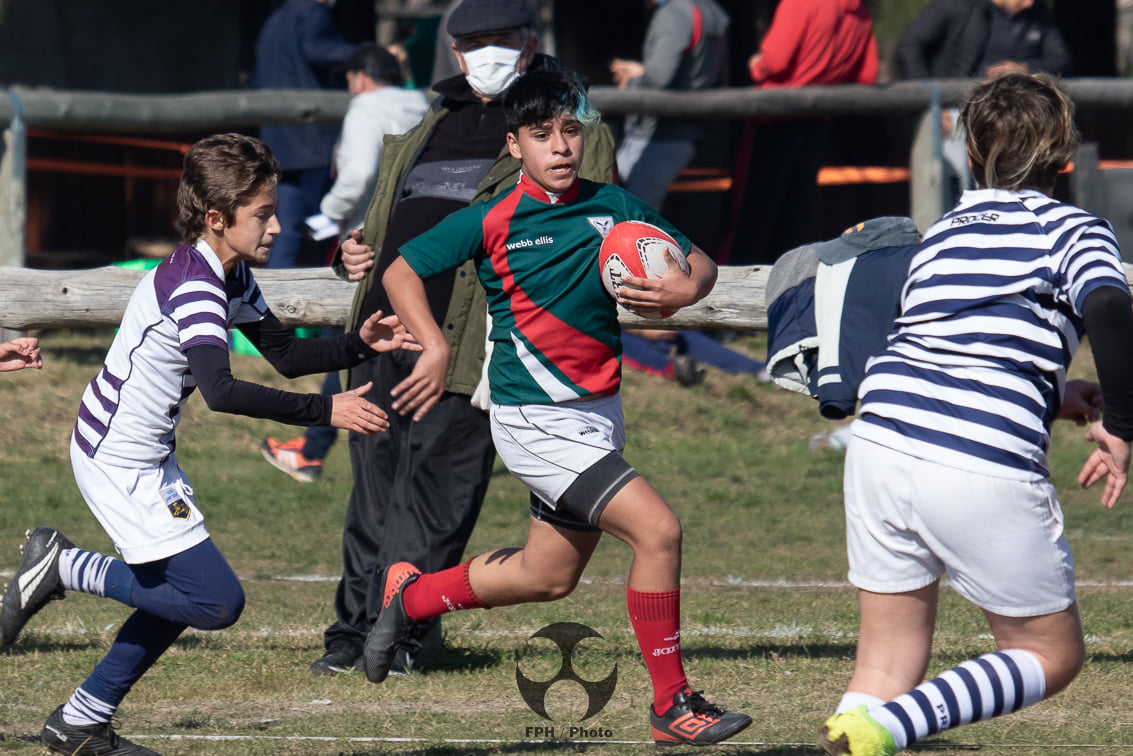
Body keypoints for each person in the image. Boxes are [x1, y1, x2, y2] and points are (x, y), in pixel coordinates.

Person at [367, 65, 751, 747]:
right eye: (541, 134)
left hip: (596, 416)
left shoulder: (614, 205)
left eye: (569, 130)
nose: (560, 146)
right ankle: (672, 705)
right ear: (514, 145)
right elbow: (397, 268)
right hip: (534, 422)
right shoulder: (492, 219)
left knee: (546, 578)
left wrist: (681, 294)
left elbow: (700, 264)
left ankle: (412, 596)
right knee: (657, 532)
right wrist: (429, 344)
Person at [0, 133, 418, 755]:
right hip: (115, 458)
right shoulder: (196, 287)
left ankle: (80, 722)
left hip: (143, 456)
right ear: (217, 218)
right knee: (215, 599)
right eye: (263, 214)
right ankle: (63, 565)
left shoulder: (230, 272)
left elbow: (285, 355)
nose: (276, 225)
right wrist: (326, 409)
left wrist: (360, 344)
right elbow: (220, 391)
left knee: (186, 597)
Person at [817, 73, 1133, 756]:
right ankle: (890, 730)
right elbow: (1107, 306)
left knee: (884, 662)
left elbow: (947, 346)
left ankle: (863, 727)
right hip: (974, 461)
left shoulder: (944, 231)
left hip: (877, 444)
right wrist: (1122, 423)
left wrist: (1053, 396)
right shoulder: (1075, 227)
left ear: (967, 155)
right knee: (1050, 655)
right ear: (1067, 157)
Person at [310, 0, 617, 677]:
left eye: (500, 40)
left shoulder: (564, 125)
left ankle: (403, 636)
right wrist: (352, 252)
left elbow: (590, 220)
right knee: (373, 492)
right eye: (472, 42)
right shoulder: (429, 122)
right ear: (452, 53)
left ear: (529, 44)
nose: (486, 53)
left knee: (435, 496)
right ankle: (350, 632)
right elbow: (387, 220)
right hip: (382, 336)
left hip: (474, 342)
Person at [262, 42, 429, 484]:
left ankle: (313, 450)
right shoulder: (424, 103)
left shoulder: (365, 108)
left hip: (370, 242)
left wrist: (329, 214)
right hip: (429, 239)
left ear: (358, 78)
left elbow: (356, 175)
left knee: (358, 345)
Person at [721, 0, 879, 266]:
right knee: (793, 226)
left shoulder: (802, 3)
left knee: (748, 224)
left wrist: (756, 65)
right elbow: (868, 75)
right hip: (815, 124)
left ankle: (727, 300)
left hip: (771, 122)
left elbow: (775, 59)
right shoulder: (860, 12)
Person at [894, 0, 1072, 204]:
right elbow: (909, 47)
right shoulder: (957, 6)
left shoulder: (1036, 14)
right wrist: (933, 104)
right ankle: (957, 216)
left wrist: (1024, 68)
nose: (1029, 3)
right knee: (954, 171)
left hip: (1014, 114)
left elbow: (1062, 59)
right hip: (956, 109)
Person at [252, 0, 355, 270]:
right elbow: (319, 50)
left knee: (285, 228)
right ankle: (327, 287)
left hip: (281, 142)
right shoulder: (312, 13)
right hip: (312, 141)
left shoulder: (277, 18)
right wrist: (365, 54)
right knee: (324, 226)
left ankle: (275, 296)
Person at [609, 0, 730, 212]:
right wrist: (642, 72)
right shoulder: (710, 11)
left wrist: (632, 81)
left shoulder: (675, 13)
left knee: (627, 213)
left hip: (656, 134)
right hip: (684, 133)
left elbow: (659, 78)